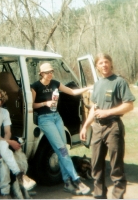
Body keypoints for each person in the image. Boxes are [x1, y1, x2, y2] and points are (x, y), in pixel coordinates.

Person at [30, 62, 92, 195]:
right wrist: (45, 103)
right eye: (47, 72)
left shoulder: (55, 83)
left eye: (51, 71)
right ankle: (76, 180)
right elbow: (31, 106)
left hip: (57, 117)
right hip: (45, 119)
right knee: (62, 150)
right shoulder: (35, 86)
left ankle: (67, 182)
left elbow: (72, 92)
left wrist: (87, 88)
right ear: (41, 73)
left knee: (62, 149)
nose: (50, 74)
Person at [79, 53, 135, 199]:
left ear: (110, 63)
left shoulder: (119, 82)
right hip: (97, 128)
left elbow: (129, 105)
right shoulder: (97, 84)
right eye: (100, 63)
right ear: (97, 66)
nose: (104, 65)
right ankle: (99, 196)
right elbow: (94, 107)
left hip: (113, 126)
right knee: (96, 165)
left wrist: (107, 112)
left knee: (116, 167)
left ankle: (117, 196)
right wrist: (85, 126)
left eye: (106, 62)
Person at [0, 88, 36, 199]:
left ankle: (4, 193)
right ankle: (20, 175)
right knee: (3, 146)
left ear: (2, 100)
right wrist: (9, 143)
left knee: (4, 158)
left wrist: (3, 146)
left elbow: (8, 132)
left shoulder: (5, 112)